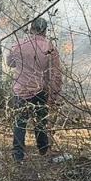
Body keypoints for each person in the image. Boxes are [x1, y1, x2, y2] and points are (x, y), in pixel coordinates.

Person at [6, 17, 62, 162]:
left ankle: (18, 155)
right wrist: (54, 94)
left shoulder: (18, 44)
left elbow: (10, 62)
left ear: (31, 28)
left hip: (20, 90)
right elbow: (55, 73)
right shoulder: (49, 47)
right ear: (45, 30)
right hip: (39, 90)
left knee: (20, 122)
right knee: (40, 122)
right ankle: (43, 150)